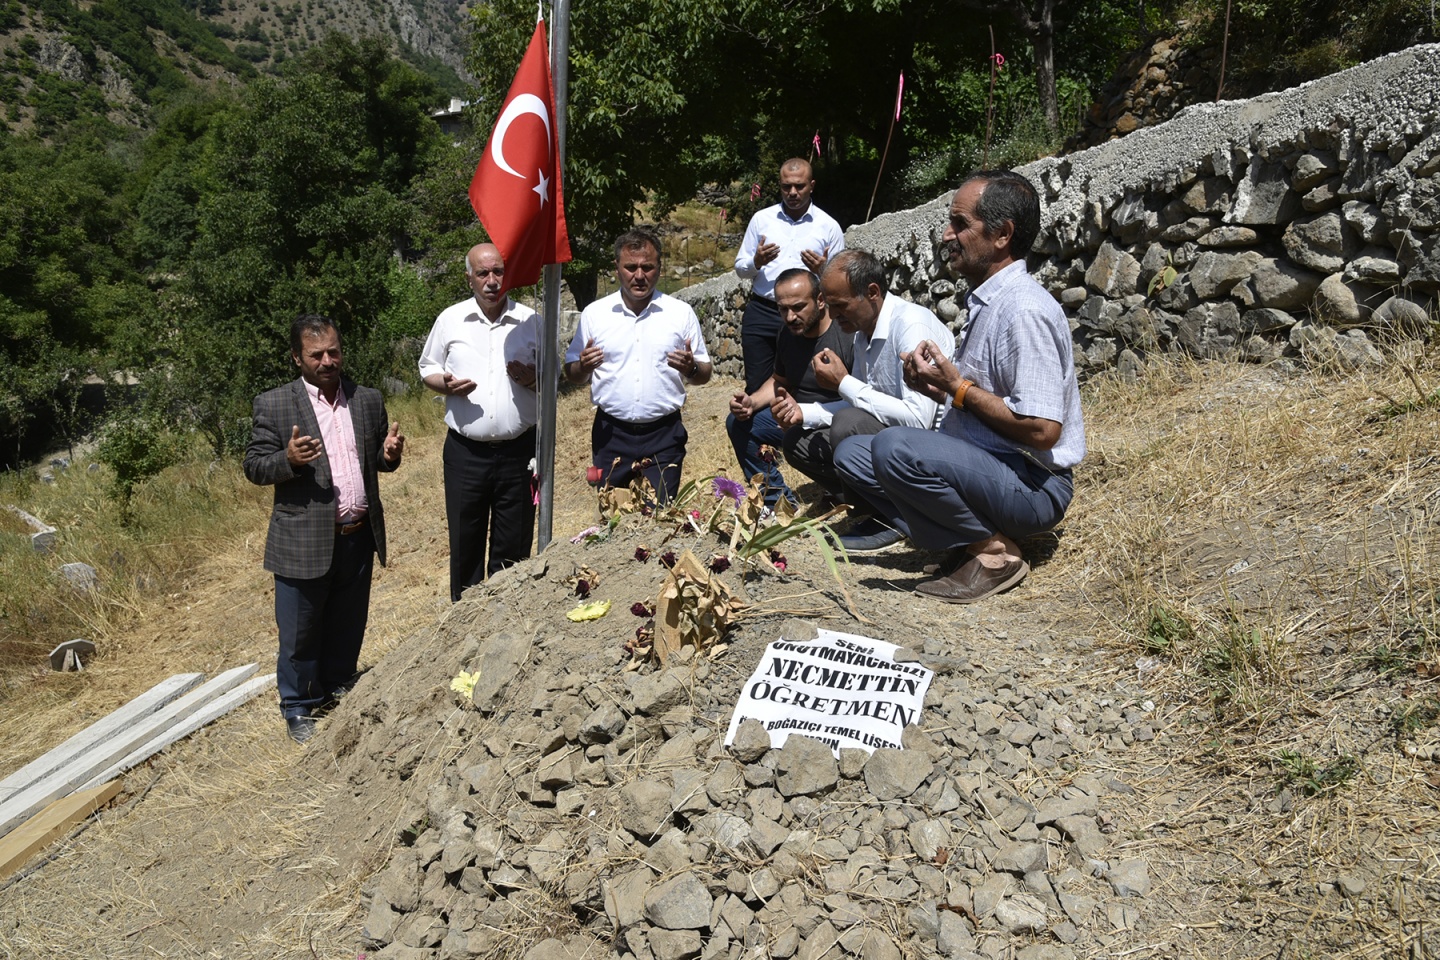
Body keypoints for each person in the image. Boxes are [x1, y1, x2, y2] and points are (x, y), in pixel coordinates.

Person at [833, 170, 1085, 603]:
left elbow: (1043, 430)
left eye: (960, 223)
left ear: (1002, 234)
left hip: (1033, 485)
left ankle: (994, 553)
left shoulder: (1023, 310)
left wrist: (959, 388)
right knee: (853, 452)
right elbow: (987, 402)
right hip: (997, 467)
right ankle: (962, 536)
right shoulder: (990, 302)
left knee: (893, 447)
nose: (947, 234)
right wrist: (939, 388)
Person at [243, 314, 405, 743]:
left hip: (357, 534)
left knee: (348, 621)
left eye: (334, 351)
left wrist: (388, 455)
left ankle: (337, 683)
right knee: (300, 631)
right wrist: (288, 460)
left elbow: (373, 459)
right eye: (316, 355)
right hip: (303, 539)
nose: (328, 361)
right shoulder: (275, 404)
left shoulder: (366, 399)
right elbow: (254, 466)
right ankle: (298, 705)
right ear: (297, 358)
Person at [774, 248, 953, 547]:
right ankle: (876, 508)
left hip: (932, 448)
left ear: (872, 292)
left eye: (840, 305)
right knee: (798, 440)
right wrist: (804, 413)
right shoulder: (862, 333)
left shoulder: (910, 326)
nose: (832, 315)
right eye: (830, 305)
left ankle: (897, 515)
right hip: (895, 440)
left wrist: (843, 382)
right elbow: (860, 401)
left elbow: (920, 419)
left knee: (848, 424)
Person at [418, 243, 539, 603]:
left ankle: (507, 614)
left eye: (498, 271)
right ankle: (466, 618)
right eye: (483, 273)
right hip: (466, 454)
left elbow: (553, 376)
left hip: (519, 452)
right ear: (468, 277)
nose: (491, 280)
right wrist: (444, 384)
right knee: (465, 540)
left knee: (513, 543)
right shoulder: (451, 319)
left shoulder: (531, 321)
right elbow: (427, 367)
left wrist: (533, 379)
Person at [564, 228, 713, 502]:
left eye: (648, 267)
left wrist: (690, 368)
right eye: (631, 267)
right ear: (617, 268)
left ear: (659, 268)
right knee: (612, 516)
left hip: (664, 435)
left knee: (662, 516)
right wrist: (583, 366)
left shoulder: (680, 314)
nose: (640, 275)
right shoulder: (595, 314)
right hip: (611, 435)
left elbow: (704, 373)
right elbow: (572, 373)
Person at [725, 268, 853, 507]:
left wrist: (804, 415)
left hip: (837, 422)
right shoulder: (787, 332)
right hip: (793, 420)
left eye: (798, 307)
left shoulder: (846, 334)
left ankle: (845, 490)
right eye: (782, 309)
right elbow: (779, 380)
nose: (790, 317)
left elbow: (860, 401)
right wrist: (752, 402)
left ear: (820, 300)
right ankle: (776, 502)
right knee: (738, 423)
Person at [733, 158, 845, 394]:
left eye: (799, 186)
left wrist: (823, 270)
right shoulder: (761, 220)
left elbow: (840, 281)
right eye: (786, 186)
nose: (793, 192)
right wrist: (756, 262)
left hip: (808, 315)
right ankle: (760, 417)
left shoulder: (829, 226)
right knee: (757, 384)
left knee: (806, 381)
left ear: (811, 186)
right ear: (780, 186)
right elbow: (741, 269)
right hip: (763, 312)